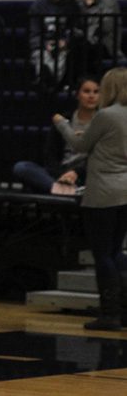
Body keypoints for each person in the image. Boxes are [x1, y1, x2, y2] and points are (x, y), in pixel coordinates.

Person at [53, 67, 127, 331]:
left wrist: (61, 123)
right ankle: (123, 309)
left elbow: (79, 146)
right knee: (117, 250)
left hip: (103, 192)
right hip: (125, 190)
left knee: (102, 253)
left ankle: (109, 313)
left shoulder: (106, 115)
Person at [14, 76, 99, 194]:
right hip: (60, 174)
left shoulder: (103, 123)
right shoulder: (64, 120)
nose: (91, 96)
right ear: (77, 94)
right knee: (22, 167)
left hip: (86, 176)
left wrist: (76, 173)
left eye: (96, 92)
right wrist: (62, 175)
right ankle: (64, 189)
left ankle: (61, 190)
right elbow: (50, 154)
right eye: (86, 91)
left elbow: (103, 158)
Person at [28, 0, 81, 89]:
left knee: (62, 57)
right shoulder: (38, 6)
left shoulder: (71, 4)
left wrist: (65, 41)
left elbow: (76, 28)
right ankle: (46, 78)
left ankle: (48, 81)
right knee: (42, 56)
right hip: (44, 45)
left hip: (63, 45)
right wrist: (44, 44)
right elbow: (34, 33)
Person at [75, 0, 123, 66]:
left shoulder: (109, 1)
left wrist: (90, 6)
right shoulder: (78, 5)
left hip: (106, 46)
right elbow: (76, 28)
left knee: (86, 50)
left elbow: (105, 27)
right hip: (84, 46)